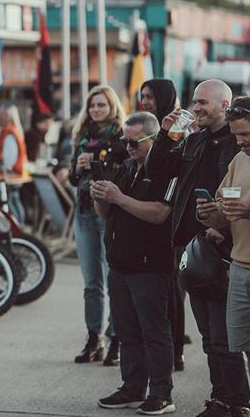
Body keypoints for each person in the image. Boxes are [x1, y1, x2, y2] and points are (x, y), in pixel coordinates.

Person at [146, 79, 250, 417]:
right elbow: (158, 172)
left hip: (225, 250)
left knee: (223, 337)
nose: (196, 107)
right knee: (208, 336)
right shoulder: (194, 140)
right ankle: (223, 398)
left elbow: (245, 194)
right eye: (194, 101)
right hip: (193, 250)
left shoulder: (239, 146)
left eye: (204, 102)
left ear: (224, 105)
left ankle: (235, 402)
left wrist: (227, 231)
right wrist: (167, 135)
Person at [93, 112, 176, 415]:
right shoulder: (126, 168)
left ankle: (161, 393)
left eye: (133, 142)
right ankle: (132, 387)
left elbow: (159, 214)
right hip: (120, 264)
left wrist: (118, 198)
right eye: (124, 141)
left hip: (150, 265)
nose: (127, 147)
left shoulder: (165, 170)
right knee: (126, 332)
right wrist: (101, 198)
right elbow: (107, 215)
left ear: (154, 139)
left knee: (154, 331)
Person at [197, 96, 250, 417]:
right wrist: (209, 214)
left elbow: (247, 210)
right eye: (235, 135)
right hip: (240, 269)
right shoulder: (239, 161)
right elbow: (225, 212)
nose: (239, 142)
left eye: (245, 134)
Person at [69, 85, 128, 366]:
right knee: (91, 282)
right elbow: (71, 176)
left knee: (113, 278)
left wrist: (94, 163)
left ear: (112, 107)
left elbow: (126, 170)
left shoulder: (122, 136)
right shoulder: (81, 136)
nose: (96, 110)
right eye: (92, 105)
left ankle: (116, 338)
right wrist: (78, 168)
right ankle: (94, 339)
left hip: (108, 213)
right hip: (83, 212)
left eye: (102, 105)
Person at [140, 78, 187, 372]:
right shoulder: (144, 125)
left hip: (171, 217)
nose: (145, 101)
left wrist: (166, 133)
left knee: (172, 289)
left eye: (150, 97)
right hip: (147, 216)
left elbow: (166, 170)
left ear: (165, 98)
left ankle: (176, 350)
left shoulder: (179, 125)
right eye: (142, 96)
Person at [0, 105, 28, 223]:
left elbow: (9, 158)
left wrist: (5, 170)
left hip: (12, 173)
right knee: (14, 199)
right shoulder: (13, 131)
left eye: (4, 115)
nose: (1, 117)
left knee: (13, 200)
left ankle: (19, 225)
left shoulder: (10, 133)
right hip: (15, 171)